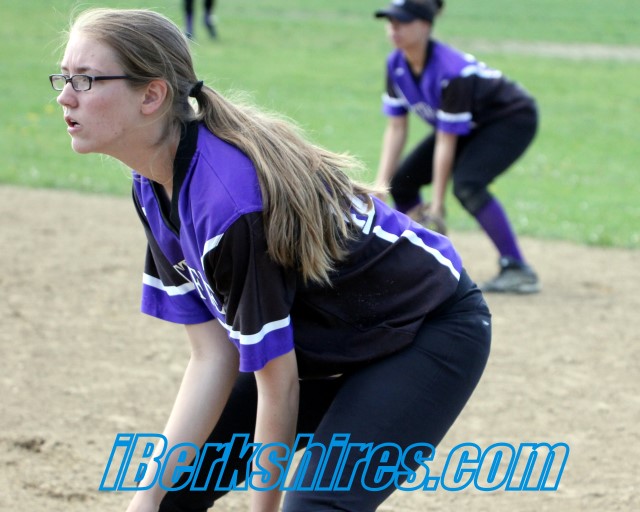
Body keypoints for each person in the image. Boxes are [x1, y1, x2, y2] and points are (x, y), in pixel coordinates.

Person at [50, 7, 491, 511]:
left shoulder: (229, 205)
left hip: (426, 328)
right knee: (171, 494)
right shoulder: (154, 184)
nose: (65, 96)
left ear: (152, 96)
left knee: (311, 506)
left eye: (85, 79)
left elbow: (278, 388)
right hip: (332, 337)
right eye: (64, 77)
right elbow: (213, 355)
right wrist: (146, 501)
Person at [374, 0, 541, 294]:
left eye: (403, 22)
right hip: (468, 124)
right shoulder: (396, 64)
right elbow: (396, 127)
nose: (394, 29)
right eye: (391, 22)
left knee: (468, 185)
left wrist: (438, 205)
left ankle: (517, 268)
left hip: (511, 118)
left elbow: (447, 139)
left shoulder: (452, 71)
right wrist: (380, 186)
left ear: (426, 26)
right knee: (402, 183)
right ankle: (418, 259)